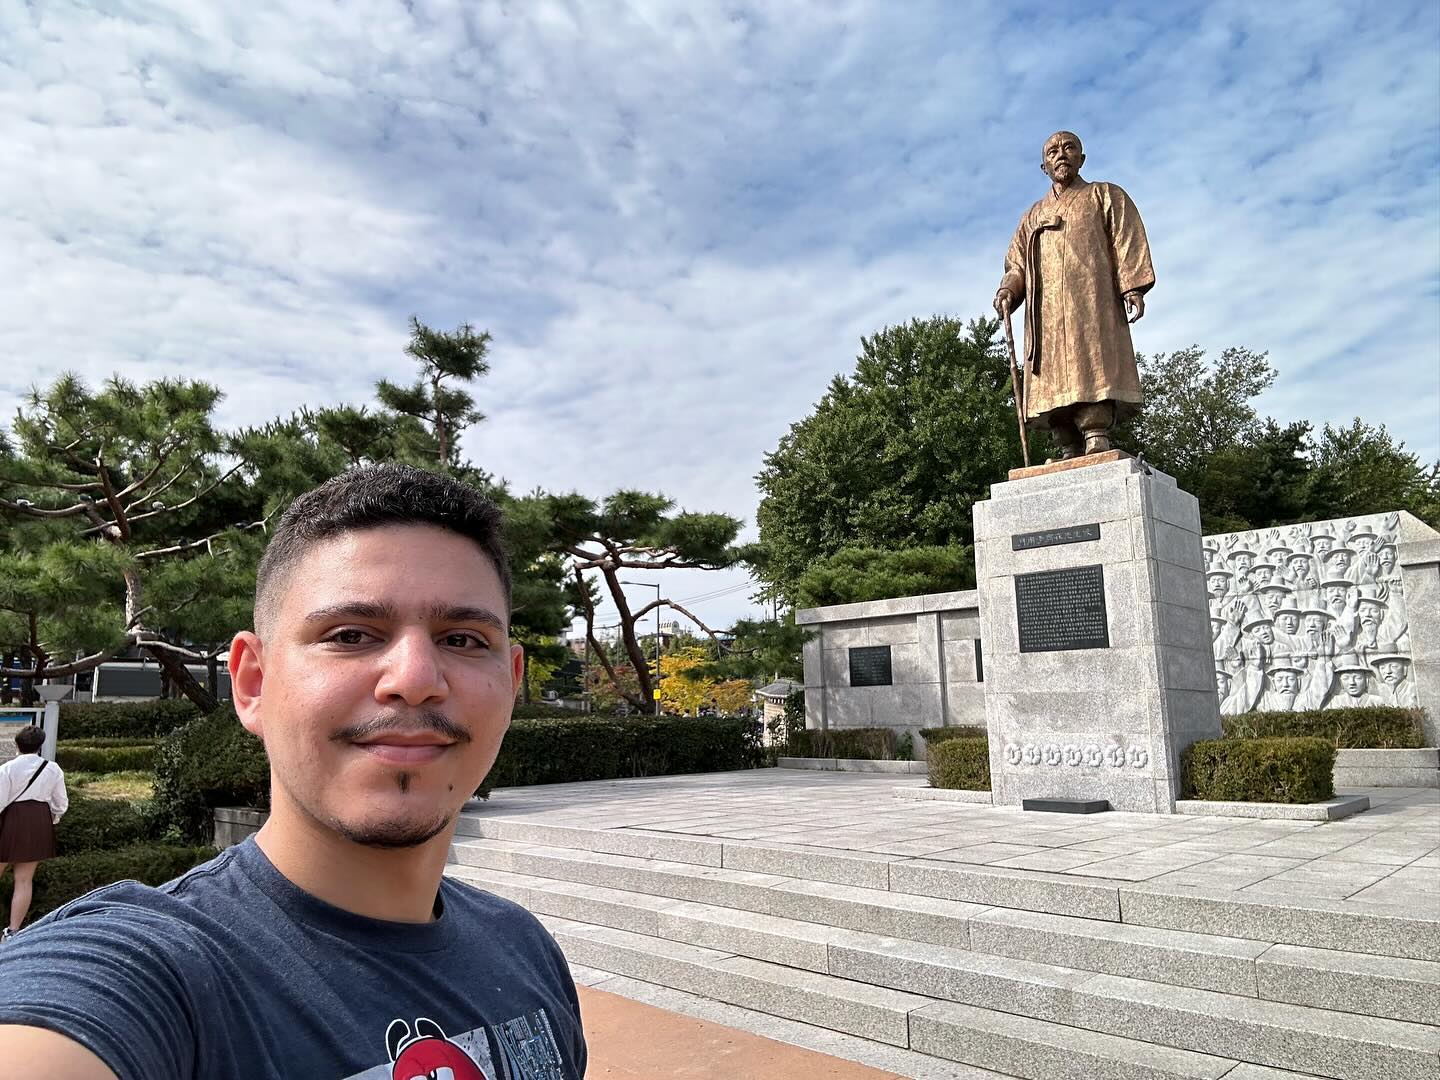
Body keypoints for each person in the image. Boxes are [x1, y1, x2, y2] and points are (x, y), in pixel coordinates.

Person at [0, 465, 586, 1079]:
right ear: (252, 683)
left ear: (512, 684)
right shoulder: (149, 973)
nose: (415, 680)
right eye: (352, 633)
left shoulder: (525, 950)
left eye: (464, 640)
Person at [994, 130, 1155, 458]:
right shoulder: (1031, 217)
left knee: (1091, 360)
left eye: (1069, 148)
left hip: (1091, 302)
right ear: (1044, 167)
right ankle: (1066, 442)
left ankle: (1096, 431)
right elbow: (1016, 264)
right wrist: (1008, 290)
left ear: (1082, 158)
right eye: (1053, 151)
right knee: (1050, 375)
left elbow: (1126, 239)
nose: (1061, 154)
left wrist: (1132, 285)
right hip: (1046, 314)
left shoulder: (1103, 195)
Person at [0, 725, 69, 942]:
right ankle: (12, 932)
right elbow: (61, 804)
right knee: (24, 880)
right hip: (39, 822)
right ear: (40, 746)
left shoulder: (7, 768)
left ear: (17, 745)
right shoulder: (53, 769)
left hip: (9, 821)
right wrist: (52, 819)